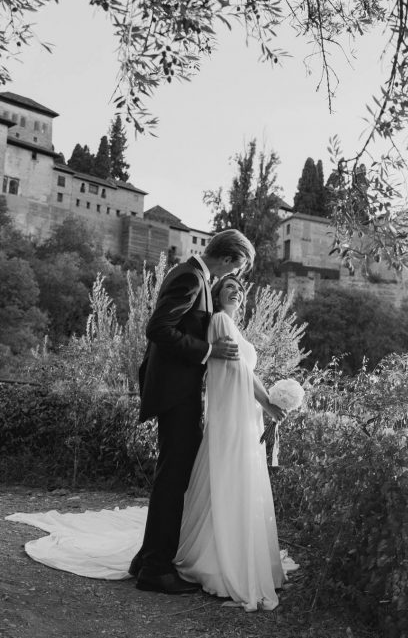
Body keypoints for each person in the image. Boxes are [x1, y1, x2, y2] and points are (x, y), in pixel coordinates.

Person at [131, 229, 257, 594]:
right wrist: (208, 351)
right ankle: (155, 568)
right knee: (173, 481)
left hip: (177, 391)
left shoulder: (193, 275)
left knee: (173, 477)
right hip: (175, 393)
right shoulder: (190, 277)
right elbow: (158, 329)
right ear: (230, 259)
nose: (236, 275)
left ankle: (147, 558)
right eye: (239, 267)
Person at [174, 274, 289, 610]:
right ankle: (219, 560)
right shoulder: (220, 321)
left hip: (241, 414)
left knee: (234, 479)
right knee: (229, 478)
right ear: (216, 294)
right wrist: (268, 403)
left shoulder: (234, 327)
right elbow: (238, 369)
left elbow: (245, 371)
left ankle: (237, 550)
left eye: (240, 288)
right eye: (229, 287)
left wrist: (269, 402)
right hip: (232, 415)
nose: (236, 291)